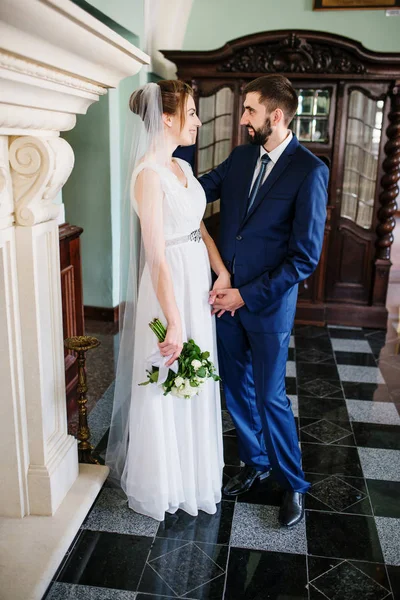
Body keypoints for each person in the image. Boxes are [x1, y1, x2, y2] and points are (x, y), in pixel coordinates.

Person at [200, 74, 329, 528]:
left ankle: (292, 483)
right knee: (235, 389)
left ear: (276, 115)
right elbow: (195, 190)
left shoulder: (310, 171)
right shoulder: (238, 158)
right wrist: (160, 165)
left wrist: (245, 295)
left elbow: (303, 259)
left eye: (250, 110)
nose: (242, 119)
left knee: (271, 396)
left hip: (267, 308)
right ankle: (255, 464)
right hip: (224, 300)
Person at [106, 81, 228, 521]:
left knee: (196, 374)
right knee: (169, 373)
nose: (197, 120)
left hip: (196, 278)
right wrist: (173, 320)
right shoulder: (148, 175)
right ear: (167, 118)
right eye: (192, 113)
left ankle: (193, 474)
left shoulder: (182, 166)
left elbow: (199, 228)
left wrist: (221, 269)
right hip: (169, 286)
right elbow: (156, 254)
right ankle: (165, 481)